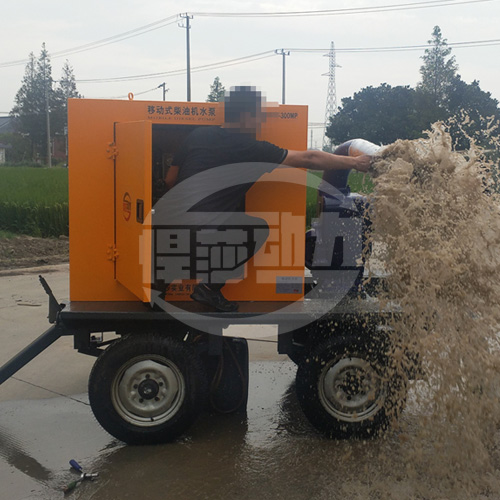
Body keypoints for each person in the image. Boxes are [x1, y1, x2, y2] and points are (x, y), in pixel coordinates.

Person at [164, 86, 372, 312]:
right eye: (259, 116)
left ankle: (160, 281)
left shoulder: (197, 135)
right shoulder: (250, 147)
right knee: (257, 228)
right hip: (200, 235)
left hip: (166, 229)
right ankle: (208, 287)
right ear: (246, 116)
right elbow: (309, 158)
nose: (261, 122)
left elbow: (169, 179)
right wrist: (355, 163)